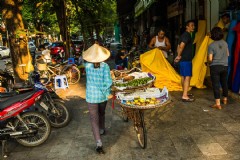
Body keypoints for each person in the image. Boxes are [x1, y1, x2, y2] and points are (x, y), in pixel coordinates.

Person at [83, 43, 112, 154]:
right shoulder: (105, 66)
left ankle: (98, 143)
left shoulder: (87, 65)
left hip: (91, 96)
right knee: (102, 113)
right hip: (102, 96)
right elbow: (108, 82)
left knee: (93, 119)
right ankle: (102, 129)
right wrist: (104, 90)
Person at [208, 27, 229, 110]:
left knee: (216, 85)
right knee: (224, 83)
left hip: (215, 67)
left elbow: (210, 59)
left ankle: (218, 104)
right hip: (225, 66)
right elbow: (227, 54)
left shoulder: (211, 45)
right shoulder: (225, 43)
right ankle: (225, 99)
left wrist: (208, 63)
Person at [174, 20, 195, 102]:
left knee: (183, 76)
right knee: (187, 77)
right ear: (187, 26)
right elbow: (182, 46)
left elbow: (178, 46)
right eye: (191, 25)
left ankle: (185, 92)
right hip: (186, 59)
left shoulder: (183, 35)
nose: (193, 27)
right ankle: (185, 95)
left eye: (193, 25)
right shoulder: (187, 35)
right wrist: (178, 56)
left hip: (183, 60)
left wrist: (178, 55)